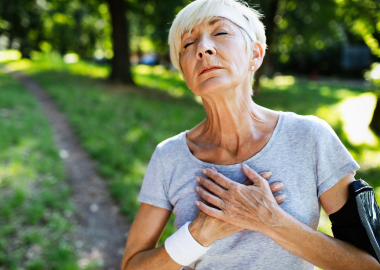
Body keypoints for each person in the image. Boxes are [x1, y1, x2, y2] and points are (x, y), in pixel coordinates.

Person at [121, 0, 380, 269]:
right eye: (187, 44)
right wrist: (198, 235)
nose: (203, 49)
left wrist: (272, 221)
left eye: (220, 32)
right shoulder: (169, 156)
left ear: (255, 54)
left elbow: (369, 265)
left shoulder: (311, 137)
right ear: (184, 72)